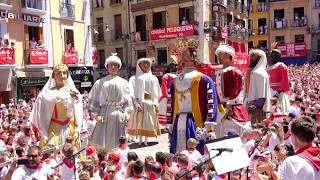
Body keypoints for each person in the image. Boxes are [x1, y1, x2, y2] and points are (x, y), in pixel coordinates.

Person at [167, 39, 218, 154]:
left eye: (186, 52)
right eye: (182, 52)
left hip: (195, 122)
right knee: (178, 153)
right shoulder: (174, 81)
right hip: (178, 122)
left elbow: (211, 102)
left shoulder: (203, 79)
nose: (183, 55)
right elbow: (170, 103)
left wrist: (209, 123)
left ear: (193, 56)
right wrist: (170, 122)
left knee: (195, 152)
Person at [30, 64, 83, 149]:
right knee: (53, 151)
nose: (62, 76)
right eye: (58, 73)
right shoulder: (47, 93)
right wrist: (43, 131)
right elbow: (40, 114)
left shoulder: (72, 92)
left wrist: (77, 129)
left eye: (64, 73)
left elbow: (78, 111)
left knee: (71, 152)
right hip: (54, 129)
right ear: (53, 76)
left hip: (70, 128)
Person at [89, 54, 131, 150]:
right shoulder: (100, 82)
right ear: (107, 66)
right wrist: (95, 114)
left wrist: (126, 113)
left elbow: (127, 100)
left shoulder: (124, 83)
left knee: (119, 138)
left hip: (118, 113)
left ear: (119, 67)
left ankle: (117, 157)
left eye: (115, 65)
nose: (113, 67)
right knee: (103, 138)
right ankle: (104, 156)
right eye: (110, 65)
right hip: (104, 112)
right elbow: (94, 98)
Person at [214, 44, 250, 137]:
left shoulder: (233, 71)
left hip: (232, 107)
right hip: (221, 107)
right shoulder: (220, 72)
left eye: (221, 54)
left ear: (227, 55)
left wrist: (229, 104)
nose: (219, 57)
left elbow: (237, 89)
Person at [128, 58, 161, 146]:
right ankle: (140, 140)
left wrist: (156, 103)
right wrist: (136, 103)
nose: (146, 65)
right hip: (140, 104)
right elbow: (131, 92)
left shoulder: (154, 78)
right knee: (139, 122)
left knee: (148, 123)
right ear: (139, 65)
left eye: (148, 63)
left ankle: (146, 139)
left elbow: (157, 92)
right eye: (144, 63)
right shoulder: (134, 78)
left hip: (150, 104)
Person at [246, 49, 271, 124]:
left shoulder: (260, 73)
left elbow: (263, 95)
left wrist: (256, 105)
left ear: (259, 58)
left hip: (257, 107)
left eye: (253, 56)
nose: (251, 58)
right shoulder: (251, 72)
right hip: (249, 104)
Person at [267, 42, 290, 116]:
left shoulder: (281, 66)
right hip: (270, 91)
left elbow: (284, 80)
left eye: (275, 55)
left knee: (280, 110)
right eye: (271, 55)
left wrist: (279, 92)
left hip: (279, 92)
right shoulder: (269, 67)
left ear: (279, 56)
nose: (272, 57)